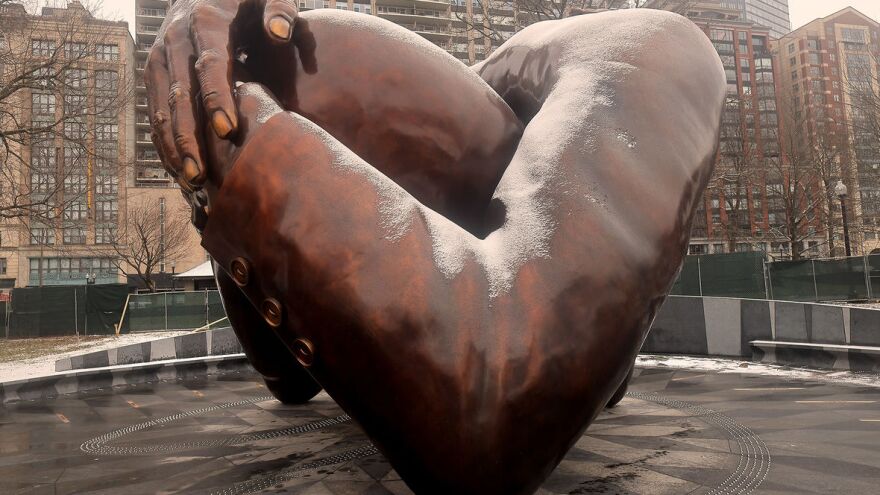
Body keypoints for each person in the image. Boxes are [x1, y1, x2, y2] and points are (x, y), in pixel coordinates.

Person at [145, 4, 725, 494]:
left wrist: (226, 135)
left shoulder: (656, 53)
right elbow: (286, 375)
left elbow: (491, 415)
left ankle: (593, 348)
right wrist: (204, 100)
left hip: (599, 125)